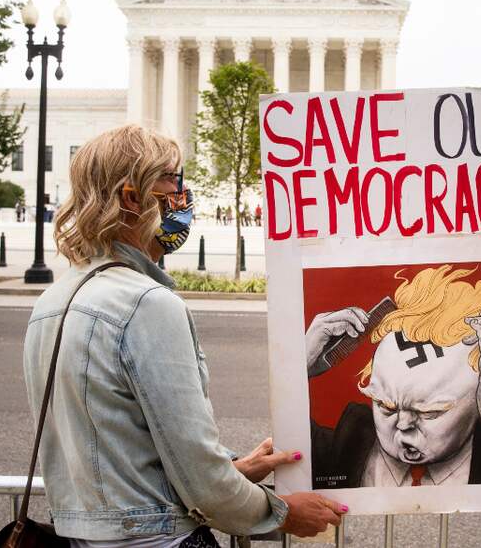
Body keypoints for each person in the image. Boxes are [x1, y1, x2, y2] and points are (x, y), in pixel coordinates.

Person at [24, 125, 345, 547]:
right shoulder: (146, 304)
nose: (183, 194)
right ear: (132, 197)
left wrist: (234, 469)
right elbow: (198, 475)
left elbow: (119, 450)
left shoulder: (51, 302)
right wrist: (281, 513)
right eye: (173, 180)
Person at [304, 265, 481, 489]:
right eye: (385, 406)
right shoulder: (346, 444)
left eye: (430, 412)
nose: (403, 424)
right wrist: (300, 369)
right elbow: (293, 456)